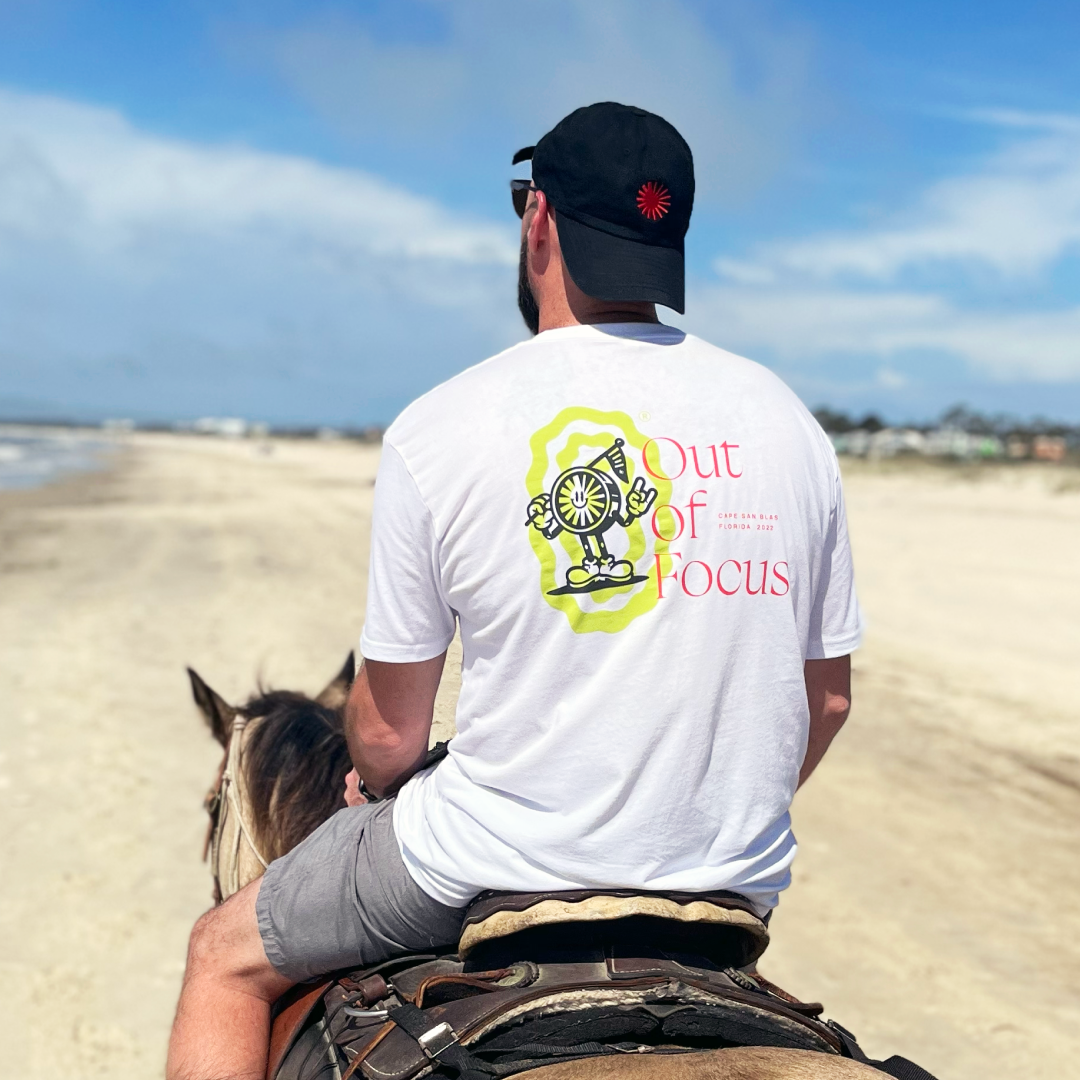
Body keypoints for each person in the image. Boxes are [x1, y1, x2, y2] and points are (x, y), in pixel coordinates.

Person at [166, 102, 861, 1080]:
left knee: (222, 960)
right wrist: (699, 815)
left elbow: (390, 739)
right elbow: (825, 699)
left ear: (538, 219)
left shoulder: (443, 425)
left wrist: (372, 769)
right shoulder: (790, 425)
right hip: (728, 887)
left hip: (481, 866)